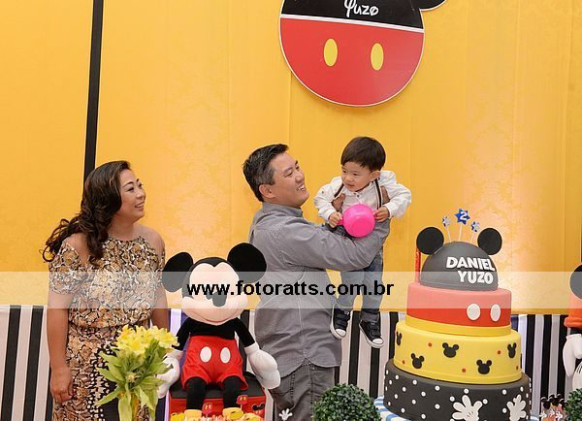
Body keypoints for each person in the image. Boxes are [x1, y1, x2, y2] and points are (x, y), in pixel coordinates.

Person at [242, 144, 391, 421]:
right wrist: (382, 215)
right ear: (267, 190)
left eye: (297, 167)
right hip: (304, 354)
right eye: (289, 173)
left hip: (295, 352)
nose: (300, 176)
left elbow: (316, 243)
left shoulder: (268, 223)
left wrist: (334, 222)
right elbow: (354, 256)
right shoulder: (285, 231)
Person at [43, 161, 168, 421]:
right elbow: (57, 309)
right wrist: (59, 368)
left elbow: (158, 297)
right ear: (108, 200)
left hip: (136, 367)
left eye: (140, 186)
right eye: (131, 189)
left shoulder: (153, 241)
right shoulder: (77, 246)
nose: (141, 194)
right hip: (85, 370)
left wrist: (161, 355)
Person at [314, 136, 411, 347]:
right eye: (344, 171)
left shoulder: (383, 183)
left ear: (374, 174)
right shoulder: (339, 185)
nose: (348, 178)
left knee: (374, 283)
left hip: (372, 238)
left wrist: (389, 209)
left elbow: (405, 195)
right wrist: (330, 213)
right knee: (352, 279)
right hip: (348, 236)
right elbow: (319, 198)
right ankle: (342, 312)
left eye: (355, 174)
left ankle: (369, 319)